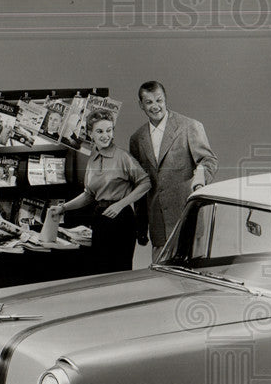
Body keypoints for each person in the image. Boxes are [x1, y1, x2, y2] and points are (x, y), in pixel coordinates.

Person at [49, 108, 151, 273]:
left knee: (119, 272)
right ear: (90, 134)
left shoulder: (122, 157)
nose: (105, 135)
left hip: (122, 221)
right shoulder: (92, 161)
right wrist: (63, 208)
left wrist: (120, 205)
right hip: (100, 219)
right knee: (99, 271)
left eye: (109, 130)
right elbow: (89, 194)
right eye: (100, 131)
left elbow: (145, 182)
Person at [129, 81, 218, 256]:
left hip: (187, 216)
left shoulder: (188, 126)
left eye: (159, 100)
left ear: (165, 100)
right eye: (149, 102)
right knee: (161, 278)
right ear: (141, 105)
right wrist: (141, 226)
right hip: (158, 225)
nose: (155, 107)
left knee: (192, 277)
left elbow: (208, 160)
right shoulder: (137, 139)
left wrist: (199, 181)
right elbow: (139, 185)